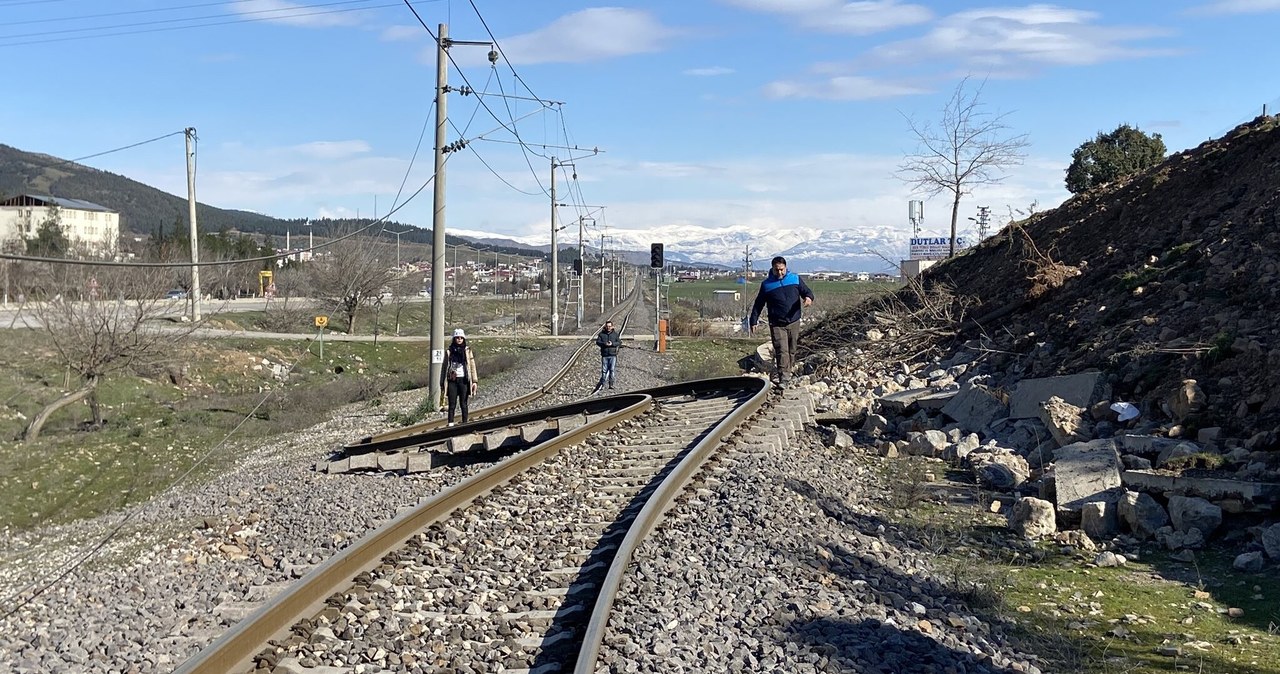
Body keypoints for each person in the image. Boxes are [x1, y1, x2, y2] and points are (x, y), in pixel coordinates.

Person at [747, 256, 814, 386]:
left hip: (794, 320)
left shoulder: (795, 279)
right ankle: (784, 377)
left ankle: (789, 370)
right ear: (772, 269)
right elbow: (758, 304)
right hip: (776, 323)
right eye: (776, 270)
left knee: (792, 349)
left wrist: (808, 298)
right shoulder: (767, 285)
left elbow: (807, 292)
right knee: (782, 350)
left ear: (785, 268)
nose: (779, 273)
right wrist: (753, 320)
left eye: (782, 269)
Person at [440, 328, 478, 425]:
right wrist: (442, 383)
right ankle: (451, 424)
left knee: (463, 403)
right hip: (452, 381)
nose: (459, 339)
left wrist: (474, 381)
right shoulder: (449, 352)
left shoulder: (467, 351)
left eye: (461, 338)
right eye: (457, 337)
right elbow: (444, 367)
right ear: (454, 339)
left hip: (464, 380)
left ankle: (465, 423)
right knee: (452, 404)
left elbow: (472, 366)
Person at [593, 320, 621, 393]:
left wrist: (612, 344)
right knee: (604, 370)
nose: (608, 327)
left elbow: (619, 342)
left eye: (610, 326)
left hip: (613, 355)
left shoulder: (615, 334)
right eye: (607, 326)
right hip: (605, 355)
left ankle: (611, 384)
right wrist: (604, 343)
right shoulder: (601, 334)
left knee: (612, 370)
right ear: (605, 327)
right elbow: (598, 342)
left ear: (612, 327)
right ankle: (603, 384)